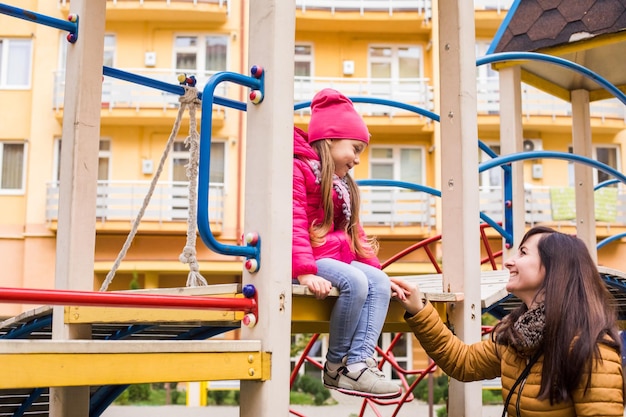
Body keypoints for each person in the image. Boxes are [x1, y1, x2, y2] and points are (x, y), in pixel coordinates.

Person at [392, 225, 625, 416]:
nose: (508, 262)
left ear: (555, 268)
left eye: (523, 253)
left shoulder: (590, 345)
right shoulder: (516, 337)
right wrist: (419, 309)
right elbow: (463, 362)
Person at [292, 88, 405, 398]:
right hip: (309, 259)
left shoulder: (343, 185)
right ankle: (337, 365)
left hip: (335, 259)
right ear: (329, 140)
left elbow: (356, 235)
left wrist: (381, 273)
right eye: (354, 149)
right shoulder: (299, 169)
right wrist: (305, 272)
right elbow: (294, 222)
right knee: (355, 281)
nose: (356, 159)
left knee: (377, 282)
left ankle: (359, 364)